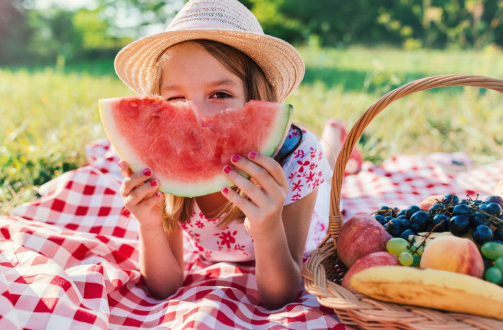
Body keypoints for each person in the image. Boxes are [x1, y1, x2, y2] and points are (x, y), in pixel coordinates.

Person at [113, 0, 354, 309]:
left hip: (308, 197)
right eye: (177, 99)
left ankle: (334, 132)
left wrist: (267, 227)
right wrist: (147, 224)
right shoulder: (159, 161)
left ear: (255, 98)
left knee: (332, 165)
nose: (198, 116)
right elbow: (164, 286)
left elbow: (279, 296)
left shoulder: (298, 158)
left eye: (220, 95)